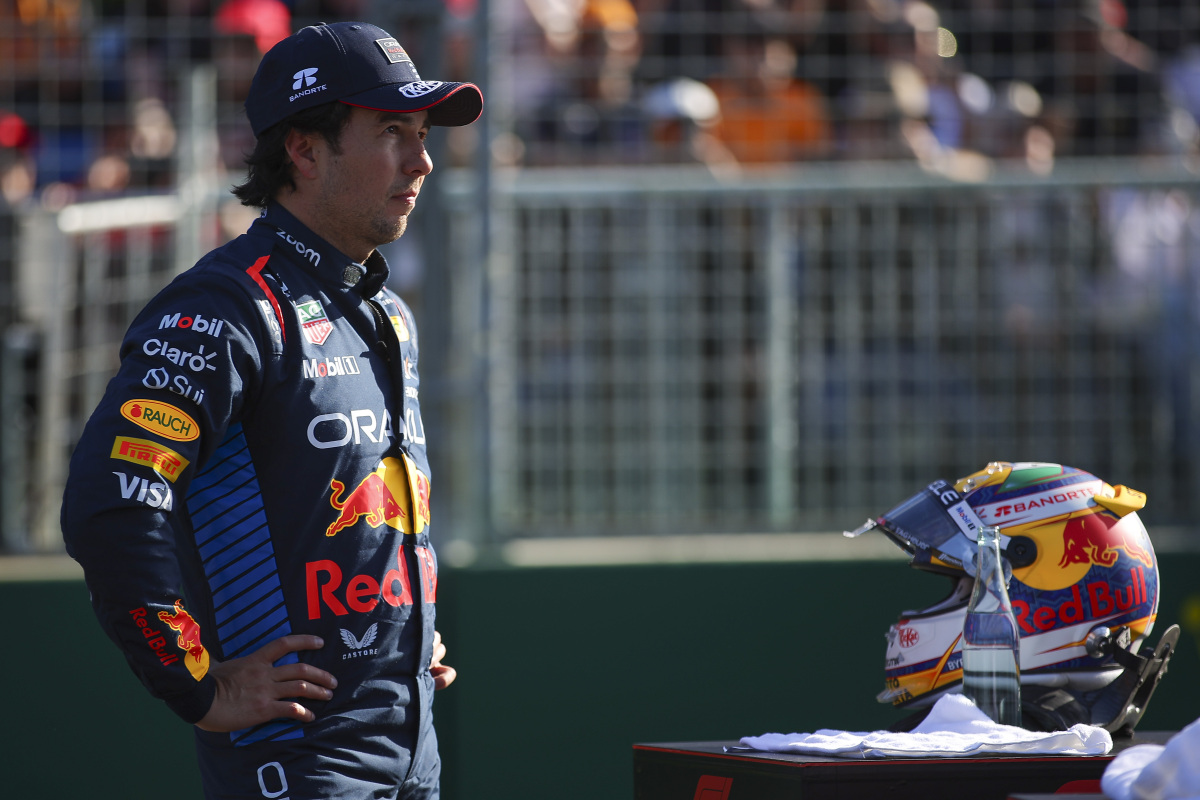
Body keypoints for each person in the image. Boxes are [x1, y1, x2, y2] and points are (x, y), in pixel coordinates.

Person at [60, 20, 482, 800]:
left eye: (422, 134)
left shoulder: (384, 311)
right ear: (305, 150)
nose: (422, 160)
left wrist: (405, 636)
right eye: (392, 132)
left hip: (409, 752)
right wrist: (197, 683)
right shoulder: (226, 307)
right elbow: (112, 501)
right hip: (297, 761)